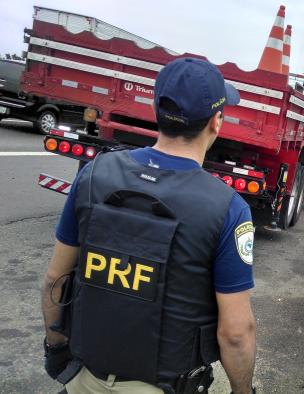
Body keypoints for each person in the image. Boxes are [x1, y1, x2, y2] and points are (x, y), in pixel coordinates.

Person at [40, 58, 256, 394]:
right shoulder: (229, 208)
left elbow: (56, 278)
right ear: (216, 121)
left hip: (85, 378)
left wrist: (55, 348)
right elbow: (236, 333)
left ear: (156, 110)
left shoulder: (94, 174)